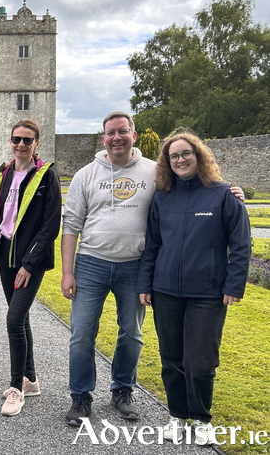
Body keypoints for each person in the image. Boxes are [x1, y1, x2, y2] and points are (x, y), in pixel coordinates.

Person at [62, 112, 245, 426]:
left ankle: (122, 390)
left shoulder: (154, 170)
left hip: (135, 265)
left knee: (131, 334)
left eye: (122, 131)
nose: (116, 137)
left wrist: (230, 192)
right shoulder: (85, 175)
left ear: (133, 134)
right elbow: (70, 225)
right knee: (81, 334)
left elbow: (195, 184)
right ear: (102, 137)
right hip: (91, 263)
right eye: (110, 133)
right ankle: (81, 396)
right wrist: (67, 272)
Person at [137, 129, 251, 445]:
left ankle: (201, 419)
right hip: (165, 291)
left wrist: (234, 286)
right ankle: (176, 415)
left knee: (200, 362)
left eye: (186, 153)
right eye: (173, 155)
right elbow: (153, 244)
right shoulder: (162, 196)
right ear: (167, 161)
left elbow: (241, 244)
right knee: (171, 358)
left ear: (198, 156)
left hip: (208, 293)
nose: (180, 159)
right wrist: (145, 283)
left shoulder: (223, 195)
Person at [0, 120, 61, 416]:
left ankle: (16, 387)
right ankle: (31, 380)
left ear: (37, 144)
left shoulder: (46, 176)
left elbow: (50, 225)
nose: (21, 144)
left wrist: (30, 263)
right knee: (22, 319)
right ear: (10, 141)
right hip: (5, 256)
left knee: (14, 320)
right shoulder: (3, 174)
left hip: (30, 260)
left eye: (28, 140)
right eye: (17, 139)